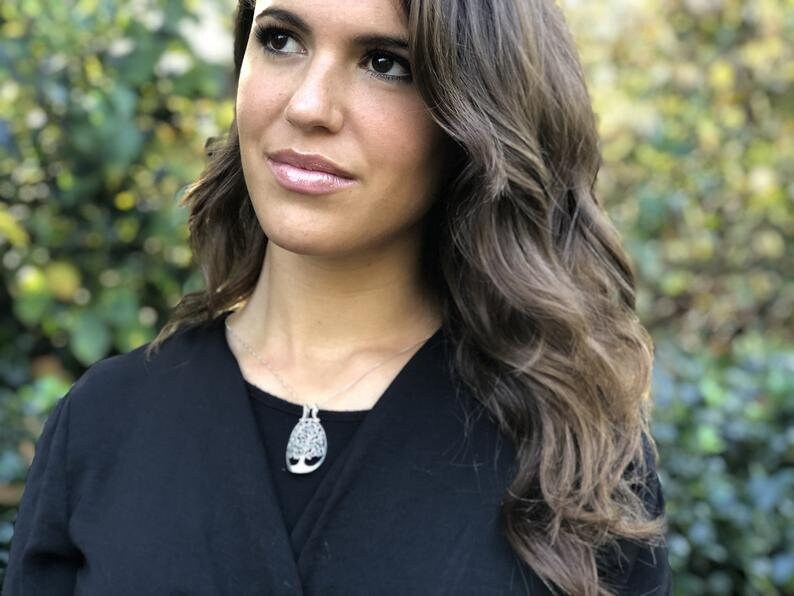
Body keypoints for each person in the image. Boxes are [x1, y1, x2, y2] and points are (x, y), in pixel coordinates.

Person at [3, 0, 673, 594]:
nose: (308, 106)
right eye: (280, 39)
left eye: (385, 63)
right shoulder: (103, 424)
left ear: (474, 116)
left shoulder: (570, 455)